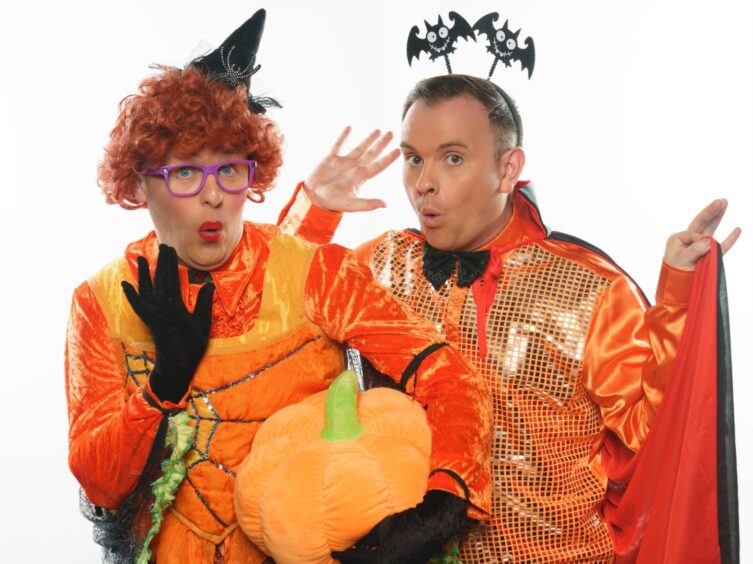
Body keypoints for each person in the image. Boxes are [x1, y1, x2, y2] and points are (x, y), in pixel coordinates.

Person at [65, 13, 492, 563]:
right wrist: (162, 385)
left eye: (231, 171)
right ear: (141, 181)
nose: (214, 197)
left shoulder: (316, 273)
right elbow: (100, 485)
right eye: (187, 175)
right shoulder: (100, 301)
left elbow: (448, 374)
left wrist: (442, 504)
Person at [280, 74, 741, 562]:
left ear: (507, 169)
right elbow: (271, 335)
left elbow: (656, 438)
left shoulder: (591, 288)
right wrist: (314, 211)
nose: (423, 183)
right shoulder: (378, 265)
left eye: (452, 158)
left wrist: (681, 297)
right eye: (414, 158)